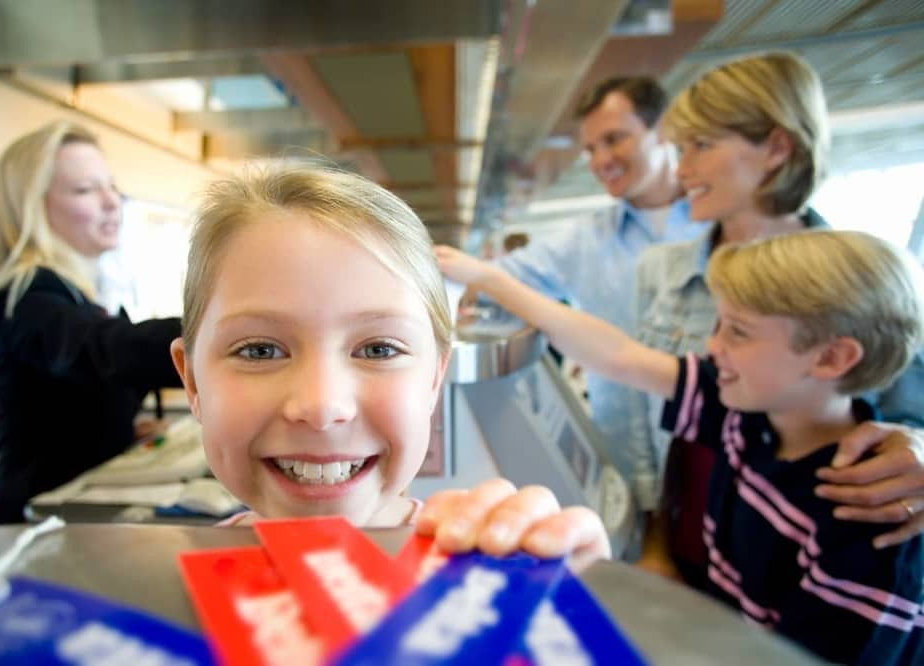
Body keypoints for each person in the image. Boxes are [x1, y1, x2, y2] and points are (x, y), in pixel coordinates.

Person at [438, 227, 924, 664]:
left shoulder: (867, 518)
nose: (713, 346)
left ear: (832, 357)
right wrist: (489, 278)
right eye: (719, 324)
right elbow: (621, 356)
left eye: (738, 331)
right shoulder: (741, 409)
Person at [168, 165, 609, 562]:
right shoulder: (166, 596)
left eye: (379, 349)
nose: (322, 408)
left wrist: (583, 614)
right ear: (192, 382)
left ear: (436, 377)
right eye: (259, 350)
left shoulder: (485, 572)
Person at [630, 52, 924, 575]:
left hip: (796, 573)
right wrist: (651, 537)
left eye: (700, 144)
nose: (682, 168)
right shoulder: (661, 271)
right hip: (689, 544)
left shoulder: (862, 285)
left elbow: (910, 410)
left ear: (777, 147)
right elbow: (642, 420)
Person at [484, 77, 708, 492]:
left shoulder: (725, 225)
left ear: (663, 131)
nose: (600, 159)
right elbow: (502, 280)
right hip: (624, 467)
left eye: (614, 139)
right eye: (590, 149)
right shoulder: (584, 241)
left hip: (711, 466)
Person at [0, 121, 184, 525]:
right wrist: (222, 332)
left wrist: (120, 433)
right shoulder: (27, 294)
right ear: (31, 205)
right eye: (86, 190)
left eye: (110, 186)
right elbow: (105, 351)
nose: (112, 201)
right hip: (27, 520)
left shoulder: (84, 294)